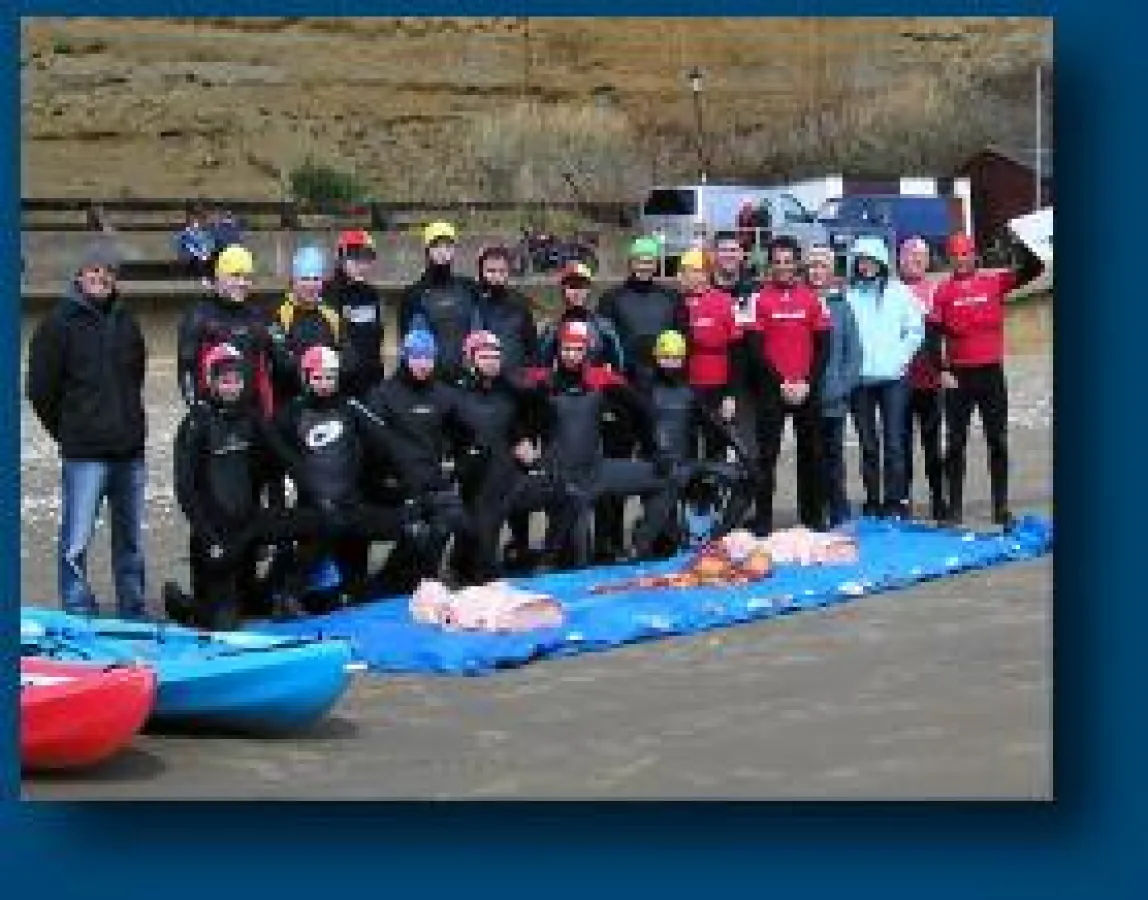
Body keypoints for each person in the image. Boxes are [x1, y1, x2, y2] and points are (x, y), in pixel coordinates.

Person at [26, 241, 148, 619]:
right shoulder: (58, 324)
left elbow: (136, 373)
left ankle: (133, 607)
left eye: (108, 271)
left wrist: (129, 421)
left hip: (128, 451)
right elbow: (40, 390)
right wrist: (68, 431)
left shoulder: (126, 320)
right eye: (94, 270)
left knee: (130, 541)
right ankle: (77, 608)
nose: (101, 276)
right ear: (80, 275)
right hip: (85, 454)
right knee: (76, 540)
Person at [263, 345, 421, 608]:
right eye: (318, 378)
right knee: (325, 597)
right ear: (305, 377)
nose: (324, 384)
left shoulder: (350, 406)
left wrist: (415, 482)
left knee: (417, 527)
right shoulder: (291, 413)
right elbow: (274, 464)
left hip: (351, 507)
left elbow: (388, 443)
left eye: (329, 377)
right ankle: (289, 593)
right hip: (315, 514)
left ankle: (389, 583)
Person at [523, 321, 677, 566]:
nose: (571, 355)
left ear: (586, 351)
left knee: (667, 479)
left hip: (597, 472)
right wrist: (521, 442)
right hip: (561, 481)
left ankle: (638, 548)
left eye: (577, 349)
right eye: (566, 349)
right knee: (576, 560)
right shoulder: (540, 380)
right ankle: (550, 557)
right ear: (557, 350)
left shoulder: (600, 378)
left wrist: (656, 449)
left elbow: (645, 410)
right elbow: (506, 401)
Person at [931, 232, 1043, 528]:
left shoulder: (994, 282)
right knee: (955, 443)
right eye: (956, 256)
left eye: (966, 254)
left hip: (991, 373)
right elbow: (932, 335)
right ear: (950, 259)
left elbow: (1035, 269)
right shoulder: (942, 291)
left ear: (974, 256)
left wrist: (1023, 241)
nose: (961, 260)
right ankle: (954, 508)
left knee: (997, 441)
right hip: (959, 376)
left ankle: (1000, 507)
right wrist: (941, 369)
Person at [451, 331, 581, 581]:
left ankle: (546, 562)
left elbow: (546, 416)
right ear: (470, 358)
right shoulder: (455, 396)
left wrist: (525, 440)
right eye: (485, 356)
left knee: (570, 496)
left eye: (496, 355)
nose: (492, 361)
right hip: (482, 494)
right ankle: (471, 561)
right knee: (482, 574)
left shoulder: (511, 390)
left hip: (515, 483)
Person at [165, 344, 279, 628]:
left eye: (238, 381)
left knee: (254, 605)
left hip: (246, 529)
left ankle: (264, 590)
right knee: (224, 623)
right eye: (225, 381)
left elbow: (274, 465)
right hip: (214, 536)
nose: (232, 388)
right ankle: (186, 607)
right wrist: (209, 537)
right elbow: (186, 489)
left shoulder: (251, 418)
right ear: (211, 381)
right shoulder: (196, 423)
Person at [594, 235, 687, 561]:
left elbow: (681, 344)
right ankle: (607, 540)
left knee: (660, 468)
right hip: (623, 396)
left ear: (656, 263)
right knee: (615, 470)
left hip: (660, 396)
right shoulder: (611, 299)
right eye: (639, 260)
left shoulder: (671, 299)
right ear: (630, 262)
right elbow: (602, 347)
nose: (644, 266)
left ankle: (659, 535)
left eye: (650, 260)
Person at [362, 330, 471, 591]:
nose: (423, 364)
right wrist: (389, 482)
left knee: (454, 520)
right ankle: (392, 580)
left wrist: (458, 464)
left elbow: (465, 433)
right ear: (405, 358)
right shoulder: (383, 394)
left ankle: (426, 579)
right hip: (395, 486)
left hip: (433, 482)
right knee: (417, 530)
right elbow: (371, 446)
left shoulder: (444, 395)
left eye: (429, 358)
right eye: (417, 357)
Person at [743, 236, 829, 534]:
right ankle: (763, 520)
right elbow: (754, 350)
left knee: (812, 454)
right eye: (777, 262)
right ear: (770, 265)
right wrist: (780, 383)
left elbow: (823, 348)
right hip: (772, 389)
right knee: (766, 457)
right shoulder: (758, 299)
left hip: (806, 388)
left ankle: (813, 517)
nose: (783, 267)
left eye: (788, 261)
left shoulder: (812, 298)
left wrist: (805, 383)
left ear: (797, 263)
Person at [641, 329, 755, 547]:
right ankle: (665, 531)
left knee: (748, 477)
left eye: (676, 358)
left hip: (688, 466)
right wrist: (656, 455)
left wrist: (742, 451)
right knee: (666, 543)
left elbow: (715, 424)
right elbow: (642, 430)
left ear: (683, 359)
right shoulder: (645, 391)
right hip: (657, 469)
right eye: (666, 357)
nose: (670, 363)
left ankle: (715, 537)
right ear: (656, 357)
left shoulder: (690, 392)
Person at [845, 236, 925, 519]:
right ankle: (872, 499)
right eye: (860, 260)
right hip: (861, 381)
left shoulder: (900, 293)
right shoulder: (850, 296)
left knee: (894, 442)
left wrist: (900, 360)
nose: (865, 265)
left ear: (880, 261)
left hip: (893, 379)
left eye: (870, 259)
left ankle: (896, 500)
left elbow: (915, 330)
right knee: (868, 444)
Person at [177, 244, 275, 419]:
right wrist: (197, 413)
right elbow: (186, 372)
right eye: (235, 276)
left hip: (251, 418)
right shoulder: (199, 317)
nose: (242, 283)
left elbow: (270, 367)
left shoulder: (258, 315)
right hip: (214, 419)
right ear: (219, 277)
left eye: (247, 277)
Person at [807, 245, 862, 528]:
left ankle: (839, 511)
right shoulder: (800, 301)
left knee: (833, 458)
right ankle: (814, 513)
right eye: (813, 265)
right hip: (805, 398)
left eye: (822, 266)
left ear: (832, 272)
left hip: (834, 398)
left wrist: (841, 387)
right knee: (810, 459)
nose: (817, 271)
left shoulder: (842, 307)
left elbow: (853, 354)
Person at [898, 236, 947, 522]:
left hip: (930, 380)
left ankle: (938, 497)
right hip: (900, 381)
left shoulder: (935, 290)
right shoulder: (891, 290)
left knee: (932, 443)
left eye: (922, 256)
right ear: (900, 258)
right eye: (911, 255)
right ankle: (902, 500)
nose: (917, 260)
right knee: (900, 445)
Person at [398, 220, 483, 384]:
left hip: (466, 379)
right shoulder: (414, 293)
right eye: (437, 246)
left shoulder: (468, 287)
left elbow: (479, 331)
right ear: (427, 251)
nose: (443, 252)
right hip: (429, 382)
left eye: (448, 246)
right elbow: (407, 343)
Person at [677, 248, 742, 459]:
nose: (687, 275)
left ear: (706, 273)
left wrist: (731, 394)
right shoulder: (675, 303)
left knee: (716, 447)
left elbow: (736, 349)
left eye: (694, 270)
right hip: (684, 385)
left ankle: (715, 491)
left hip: (717, 386)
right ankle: (691, 491)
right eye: (684, 270)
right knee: (686, 446)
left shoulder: (725, 302)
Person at [268, 245, 345, 407]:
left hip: (326, 402)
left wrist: (328, 372)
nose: (311, 285)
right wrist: (319, 367)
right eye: (305, 278)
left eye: (316, 279)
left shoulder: (331, 315)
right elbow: (281, 360)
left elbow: (349, 357)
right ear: (294, 281)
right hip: (290, 403)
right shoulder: (278, 313)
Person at [325, 228, 386, 398]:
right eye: (355, 257)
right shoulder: (327, 294)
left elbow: (375, 339)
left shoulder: (371, 294)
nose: (361, 265)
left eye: (366, 259)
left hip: (371, 383)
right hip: (339, 385)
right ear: (341, 258)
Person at [538, 261, 624, 372]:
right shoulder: (552, 329)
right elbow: (542, 368)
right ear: (564, 290)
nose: (577, 292)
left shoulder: (603, 327)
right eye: (572, 287)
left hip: (595, 388)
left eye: (581, 287)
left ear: (588, 290)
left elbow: (618, 367)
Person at [473, 245, 539, 377]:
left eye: (501, 271)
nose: (496, 276)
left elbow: (532, 348)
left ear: (508, 272)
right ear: (481, 272)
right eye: (491, 271)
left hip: (514, 381)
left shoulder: (520, 304)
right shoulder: (472, 302)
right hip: (479, 381)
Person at [173, 204, 215, 280]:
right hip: (189, 260)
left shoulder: (207, 233)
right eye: (194, 217)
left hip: (201, 260)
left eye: (199, 217)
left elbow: (209, 246)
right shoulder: (184, 232)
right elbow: (181, 246)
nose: (196, 220)